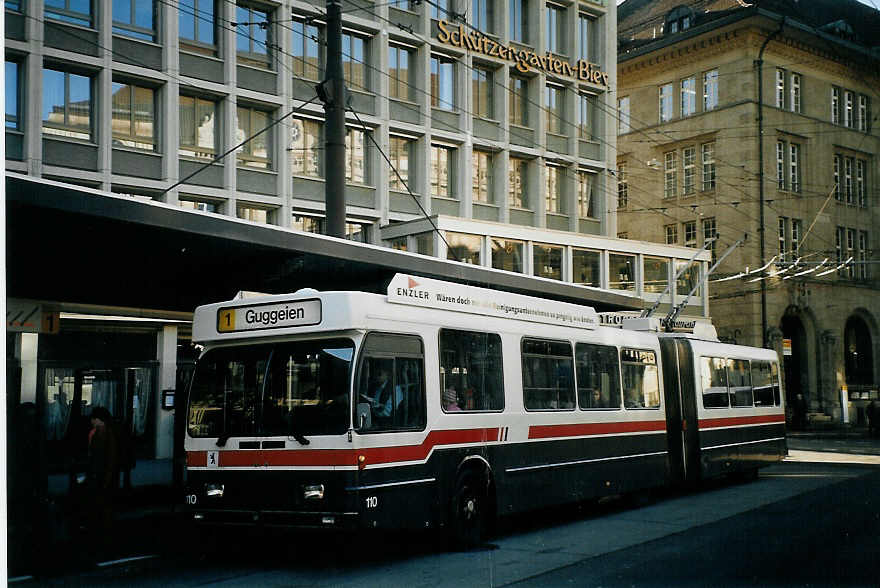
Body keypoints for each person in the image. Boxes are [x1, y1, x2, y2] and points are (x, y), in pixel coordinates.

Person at [87, 406, 119, 555]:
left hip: (102, 476)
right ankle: (104, 535)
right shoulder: (105, 433)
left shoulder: (102, 434)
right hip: (103, 476)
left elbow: (103, 458)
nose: (92, 421)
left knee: (103, 505)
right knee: (104, 505)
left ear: (99, 420)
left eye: (94, 419)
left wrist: (104, 477)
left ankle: (104, 537)